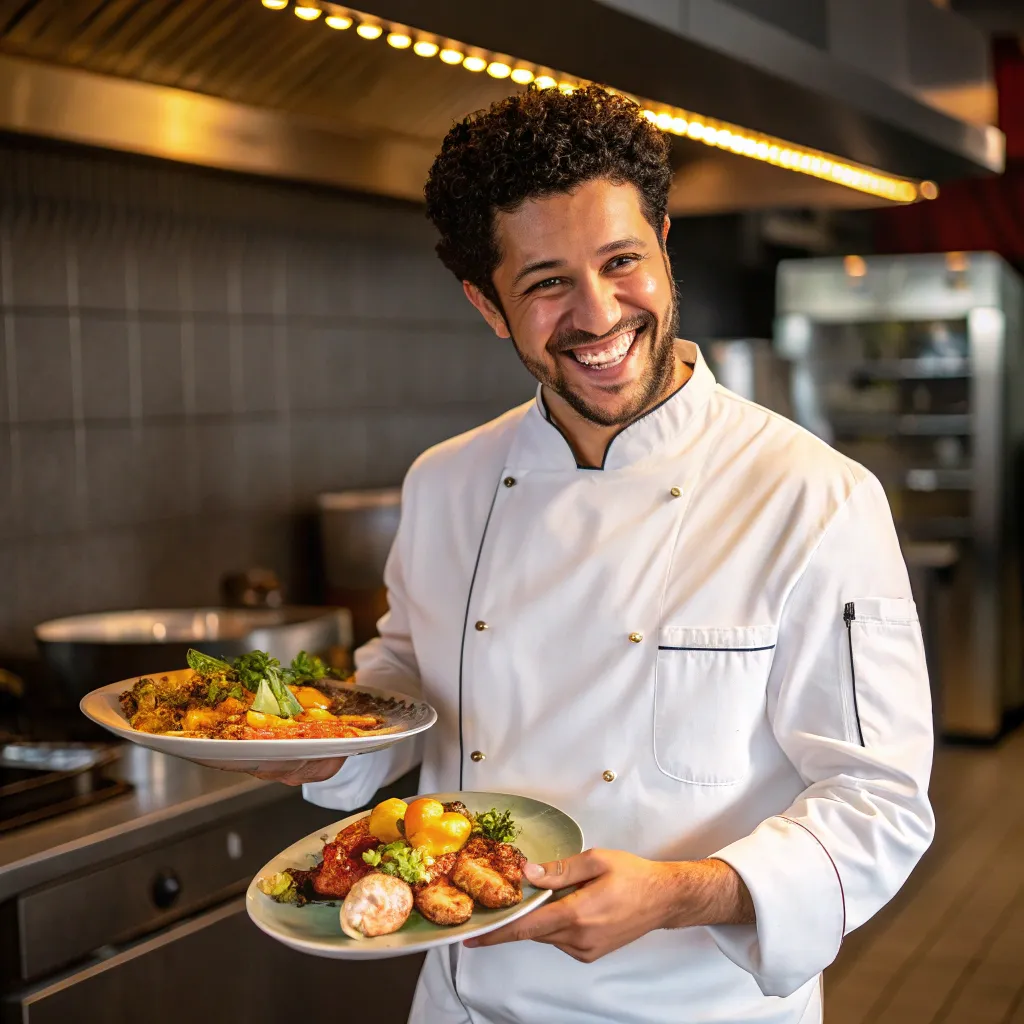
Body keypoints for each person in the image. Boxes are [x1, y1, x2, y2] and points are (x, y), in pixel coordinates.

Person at [257, 85, 935, 1024]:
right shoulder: (446, 484)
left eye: (623, 261)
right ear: (488, 305)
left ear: (664, 241)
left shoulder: (813, 497)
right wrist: (326, 753)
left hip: (701, 1008)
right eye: (545, 284)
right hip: (465, 1001)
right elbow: (411, 676)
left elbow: (879, 804)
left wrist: (684, 892)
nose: (600, 312)